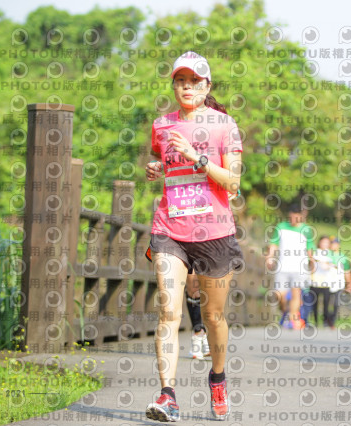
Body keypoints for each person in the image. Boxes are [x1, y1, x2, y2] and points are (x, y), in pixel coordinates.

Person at [144, 51, 243, 422]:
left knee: (213, 316)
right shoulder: (161, 125)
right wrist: (157, 167)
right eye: (180, 81)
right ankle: (167, 395)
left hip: (215, 231)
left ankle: (217, 378)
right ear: (174, 85)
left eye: (194, 81)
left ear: (207, 85)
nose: (187, 87)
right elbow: (164, 161)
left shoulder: (224, 125)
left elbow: (233, 181)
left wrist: (197, 157)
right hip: (170, 229)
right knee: (168, 311)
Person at [265, 203, 315, 330]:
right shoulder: (281, 227)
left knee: (296, 293)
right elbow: (274, 244)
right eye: (292, 217)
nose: (294, 220)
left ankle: (292, 319)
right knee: (279, 294)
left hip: (299, 267)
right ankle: (285, 311)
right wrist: (269, 257)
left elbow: (310, 247)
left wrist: (312, 261)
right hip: (283, 266)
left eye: (296, 217)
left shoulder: (307, 230)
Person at [327, 238, 351, 328]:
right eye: (331, 243)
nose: (333, 245)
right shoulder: (326, 254)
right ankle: (326, 319)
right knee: (327, 302)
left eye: (334, 243)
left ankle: (332, 321)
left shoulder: (343, 257)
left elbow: (347, 272)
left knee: (336, 303)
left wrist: (349, 285)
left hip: (339, 283)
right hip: (327, 283)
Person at [309, 236, 335, 327]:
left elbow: (330, 266)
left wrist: (326, 264)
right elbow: (312, 266)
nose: (325, 244)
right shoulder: (315, 252)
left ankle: (325, 321)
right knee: (315, 303)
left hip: (326, 282)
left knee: (326, 303)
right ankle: (315, 321)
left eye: (327, 242)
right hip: (315, 282)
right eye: (323, 242)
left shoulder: (331, 254)